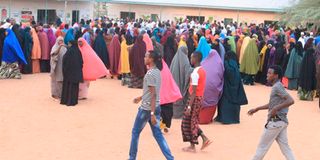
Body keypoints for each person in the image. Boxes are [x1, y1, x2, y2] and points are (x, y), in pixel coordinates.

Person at [129, 50, 174, 160]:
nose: (144, 58)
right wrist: (140, 98)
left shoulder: (150, 74)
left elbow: (153, 94)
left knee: (135, 132)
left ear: (151, 59)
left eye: (146, 56)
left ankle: (132, 157)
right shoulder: (157, 71)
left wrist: (152, 114)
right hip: (156, 107)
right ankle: (170, 158)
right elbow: (151, 92)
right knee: (158, 135)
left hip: (147, 109)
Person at [248, 65, 295, 160]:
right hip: (281, 122)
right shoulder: (278, 86)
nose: (267, 75)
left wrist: (276, 108)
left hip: (275, 123)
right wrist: (257, 108)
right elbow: (272, 104)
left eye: (270, 73)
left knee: (262, 148)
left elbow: (291, 100)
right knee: (286, 148)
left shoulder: (277, 87)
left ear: (276, 76)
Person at [181, 51, 212, 152]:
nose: (190, 59)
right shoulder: (202, 70)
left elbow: (193, 92)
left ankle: (193, 145)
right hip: (199, 98)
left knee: (188, 121)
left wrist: (189, 106)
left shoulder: (195, 73)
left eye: (191, 57)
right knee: (192, 121)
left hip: (194, 99)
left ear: (195, 59)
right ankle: (204, 138)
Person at [215, 51, 248, 124]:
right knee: (234, 102)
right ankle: (234, 118)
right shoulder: (235, 64)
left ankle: (224, 118)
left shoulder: (227, 63)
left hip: (226, 87)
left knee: (225, 101)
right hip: (236, 87)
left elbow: (228, 72)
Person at [199, 49, 224, 124]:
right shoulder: (219, 63)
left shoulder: (203, 62)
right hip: (213, 91)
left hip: (201, 90)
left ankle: (199, 117)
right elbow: (221, 77)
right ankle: (207, 119)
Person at [170, 46, 192, 118]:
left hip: (174, 84)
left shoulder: (174, 60)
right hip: (181, 83)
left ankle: (174, 113)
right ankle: (180, 114)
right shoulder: (185, 60)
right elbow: (188, 72)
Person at [60, 40, 83, 106]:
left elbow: (65, 60)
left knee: (68, 86)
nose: (69, 45)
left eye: (69, 44)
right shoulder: (78, 51)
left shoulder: (69, 51)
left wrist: (65, 70)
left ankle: (66, 101)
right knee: (74, 87)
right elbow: (81, 62)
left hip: (68, 73)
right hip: (76, 73)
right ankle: (73, 101)